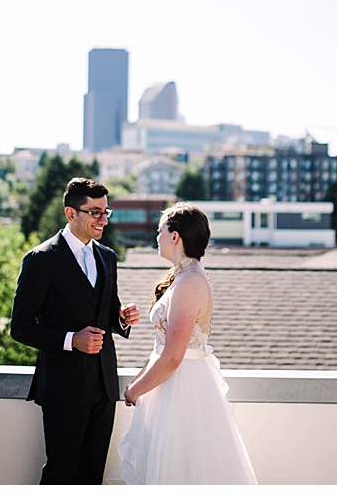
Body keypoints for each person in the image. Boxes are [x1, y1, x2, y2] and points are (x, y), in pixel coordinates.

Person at [10, 177, 140, 485]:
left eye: (106, 212)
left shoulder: (107, 257)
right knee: (61, 472)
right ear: (71, 214)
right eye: (95, 212)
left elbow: (107, 313)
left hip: (104, 386)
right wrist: (71, 340)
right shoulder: (41, 259)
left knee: (92, 475)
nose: (103, 220)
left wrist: (121, 319)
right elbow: (20, 327)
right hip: (62, 388)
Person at [118, 202, 258, 485]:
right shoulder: (181, 277)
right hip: (168, 386)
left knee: (180, 471)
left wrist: (135, 390)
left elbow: (172, 356)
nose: (156, 237)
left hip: (183, 389)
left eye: (160, 231)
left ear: (175, 236)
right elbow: (160, 347)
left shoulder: (190, 282)